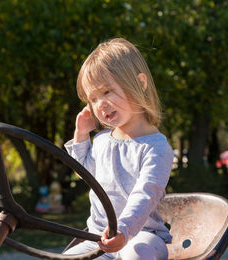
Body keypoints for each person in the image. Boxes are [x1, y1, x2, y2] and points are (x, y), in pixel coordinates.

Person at [63, 38, 174, 259]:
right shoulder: (103, 140)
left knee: (137, 253)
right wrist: (82, 135)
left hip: (142, 235)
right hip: (98, 237)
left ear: (140, 84)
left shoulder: (156, 147)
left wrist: (123, 231)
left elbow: (145, 194)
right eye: (93, 99)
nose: (100, 104)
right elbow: (83, 173)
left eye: (107, 92)